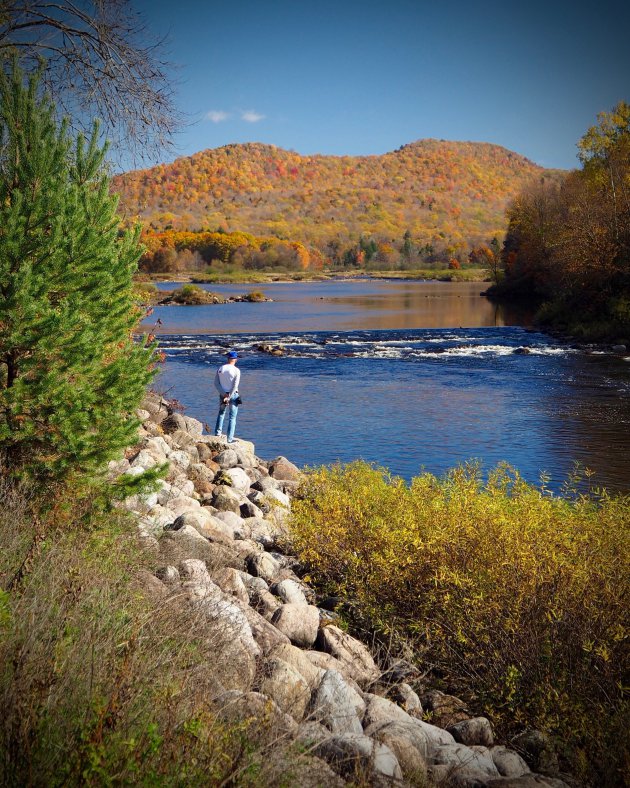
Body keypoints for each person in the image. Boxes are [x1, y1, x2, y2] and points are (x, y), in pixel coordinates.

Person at [214, 350, 241, 443]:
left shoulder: (220, 368)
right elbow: (235, 385)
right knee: (232, 417)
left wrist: (223, 394)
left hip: (223, 394)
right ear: (235, 359)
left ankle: (217, 434)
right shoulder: (237, 370)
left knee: (221, 413)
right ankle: (229, 439)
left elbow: (216, 383)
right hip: (233, 395)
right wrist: (229, 396)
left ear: (228, 358)